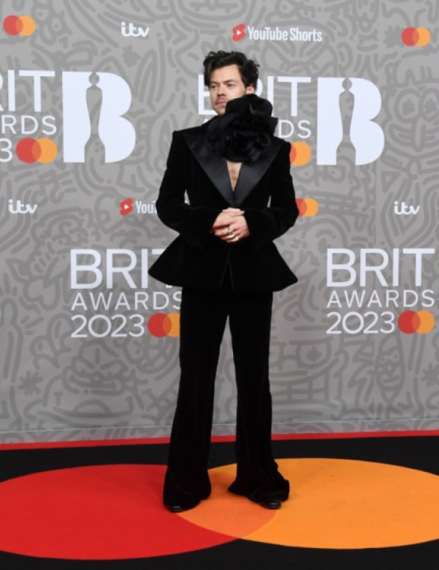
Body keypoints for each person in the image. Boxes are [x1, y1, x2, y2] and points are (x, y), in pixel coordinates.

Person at [149, 50, 299, 513]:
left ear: (249, 89)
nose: (219, 92)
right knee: (195, 379)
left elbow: (286, 210)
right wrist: (210, 219)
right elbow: (168, 204)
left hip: (254, 273)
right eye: (213, 85)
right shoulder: (188, 141)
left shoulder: (277, 148)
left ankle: (257, 476)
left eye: (229, 84)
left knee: (254, 380)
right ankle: (186, 481)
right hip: (201, 271)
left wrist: (253, 223)